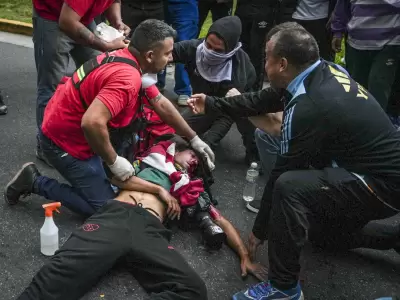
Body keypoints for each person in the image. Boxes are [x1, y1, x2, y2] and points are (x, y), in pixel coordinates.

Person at [190, 26, 400, 299]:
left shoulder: (309, 105)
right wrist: (214, 104)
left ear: (282, 63)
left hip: (382, 186)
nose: (263, 63)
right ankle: (394, 238)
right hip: (363, 170)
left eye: (266, 57)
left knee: (290, 188)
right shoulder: (319, 70)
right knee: (320, 236)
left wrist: (259, 230)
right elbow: (264, 99)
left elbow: (282, 175)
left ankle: (284, 288)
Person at [4, 20, 214, 217]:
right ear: (150, 55)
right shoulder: (127, 79)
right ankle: (34, 181)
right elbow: (92, 122)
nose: (170, 59)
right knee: (104, 208)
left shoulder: (129, 59)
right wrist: (113, 161)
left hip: (70, 127)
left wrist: (193, 137)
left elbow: (160, 103)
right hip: (63, 142)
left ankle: (98, 171)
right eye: (167, 54)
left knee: (117, 175)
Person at [15, 136, 266, 300]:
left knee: (193, 290)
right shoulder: (149, 163)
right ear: (178, 150)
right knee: (59, 275)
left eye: (197, 165)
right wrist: (159, 190)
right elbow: (116, 178)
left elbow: (220, 220)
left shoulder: (191, 189)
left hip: (150, 230)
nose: (193, 163)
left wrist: (245, 256)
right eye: (193, 156)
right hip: (117, 215)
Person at [33, 0, 131, 163]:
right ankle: (47, 147)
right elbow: (67, 21)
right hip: (54, 18)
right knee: (51, 87)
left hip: (81, 16)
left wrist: (117, 21)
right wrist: (106, 46)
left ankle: (84, 137)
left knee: (97, 76)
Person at [172, 16, 259, 163]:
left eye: (217, 50)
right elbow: (166, 51)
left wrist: (208, 142)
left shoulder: (238, 70)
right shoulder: (194, 48)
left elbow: (228, 113)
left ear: (230, 49)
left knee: (247, 116)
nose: (210, 52)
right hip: (203, 104)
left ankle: (254, 152)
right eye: (208, 45)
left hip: (235, 107)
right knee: (175, 132)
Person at [331, 0, 400, 111]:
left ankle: (378, 124)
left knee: (379, 87)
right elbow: (342, 6)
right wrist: (337, 31)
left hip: (389, 42)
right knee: (357, 87)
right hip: (356, 43)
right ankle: (358, 121)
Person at [157, 0, 199, 105]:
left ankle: (184, 90)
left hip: (185, 4)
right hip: (159, 4)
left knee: (183, 43)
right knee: (159, 39)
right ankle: (157, 82)